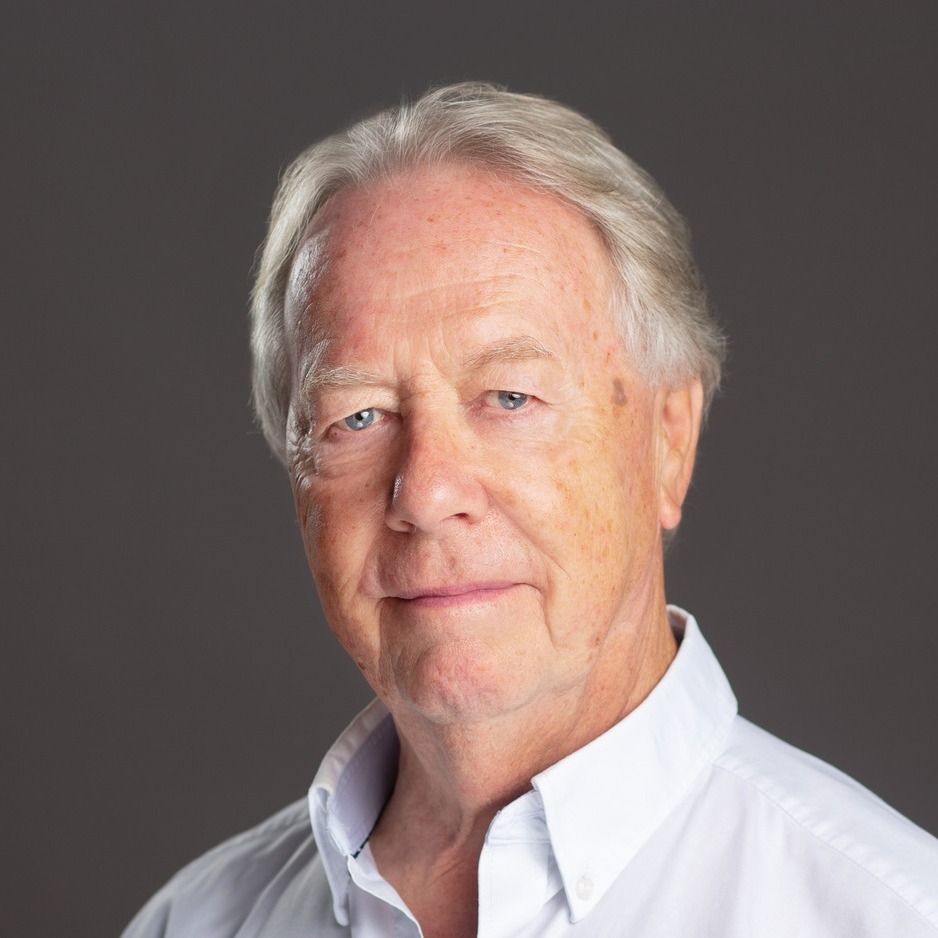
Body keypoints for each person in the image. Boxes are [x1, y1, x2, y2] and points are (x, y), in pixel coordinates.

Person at [122, 83, 938, 937]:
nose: (427, 493)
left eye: (510, 397)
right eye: (357, 417)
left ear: (669, 439)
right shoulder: (193, 922)